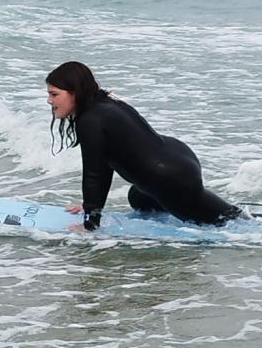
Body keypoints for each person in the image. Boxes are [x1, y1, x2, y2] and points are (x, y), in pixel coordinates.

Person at [45, 61, 241, 232]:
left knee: (224, 223)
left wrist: (90, 224)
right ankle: (201, 204)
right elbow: (104, 165)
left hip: (170, 178)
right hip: (177, 159)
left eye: (54, 94)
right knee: (138, 199)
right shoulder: (104, 104)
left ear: (75, 93)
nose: (49, 101)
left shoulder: (90, 120)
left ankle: (251, 224)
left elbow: (93, 173)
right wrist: (90, 206)